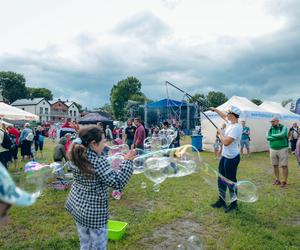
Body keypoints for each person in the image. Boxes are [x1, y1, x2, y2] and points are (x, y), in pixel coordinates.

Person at [65, 125, 135, 249]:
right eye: (103, 141)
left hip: (78, 208)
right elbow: (117, 183)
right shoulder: (97, 161)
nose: (106, 144)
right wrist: (128, 161)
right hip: (94, 214)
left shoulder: (77, 154)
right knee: (98, 246)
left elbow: (98, 172)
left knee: (85, 242)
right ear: (93, 144)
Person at [209, 106, 243, 213]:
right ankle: (221, 201)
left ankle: (234, 204)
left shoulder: (237, 127)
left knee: (231, 181)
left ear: (232, 115)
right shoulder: (230, 123)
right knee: (221, 180)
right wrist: (215, 109)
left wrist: (220, 133)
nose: (226, 115)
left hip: (232, 158)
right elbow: (223, 115)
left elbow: (226, 142)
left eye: (228, 114)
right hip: (224, 157)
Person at [267, 116, 289, 188]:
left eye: (273, 121)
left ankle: (284, 181)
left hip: (283, 148)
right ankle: (277, 179)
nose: (272, 123)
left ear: (277, 121)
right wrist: (277, 136)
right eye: (271, 122)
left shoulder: (284, 127)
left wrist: (272, 136)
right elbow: (267, 137)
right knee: (274, 165)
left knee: (284, 165)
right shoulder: (270, 128)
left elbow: (282, 135)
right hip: (272, 149)